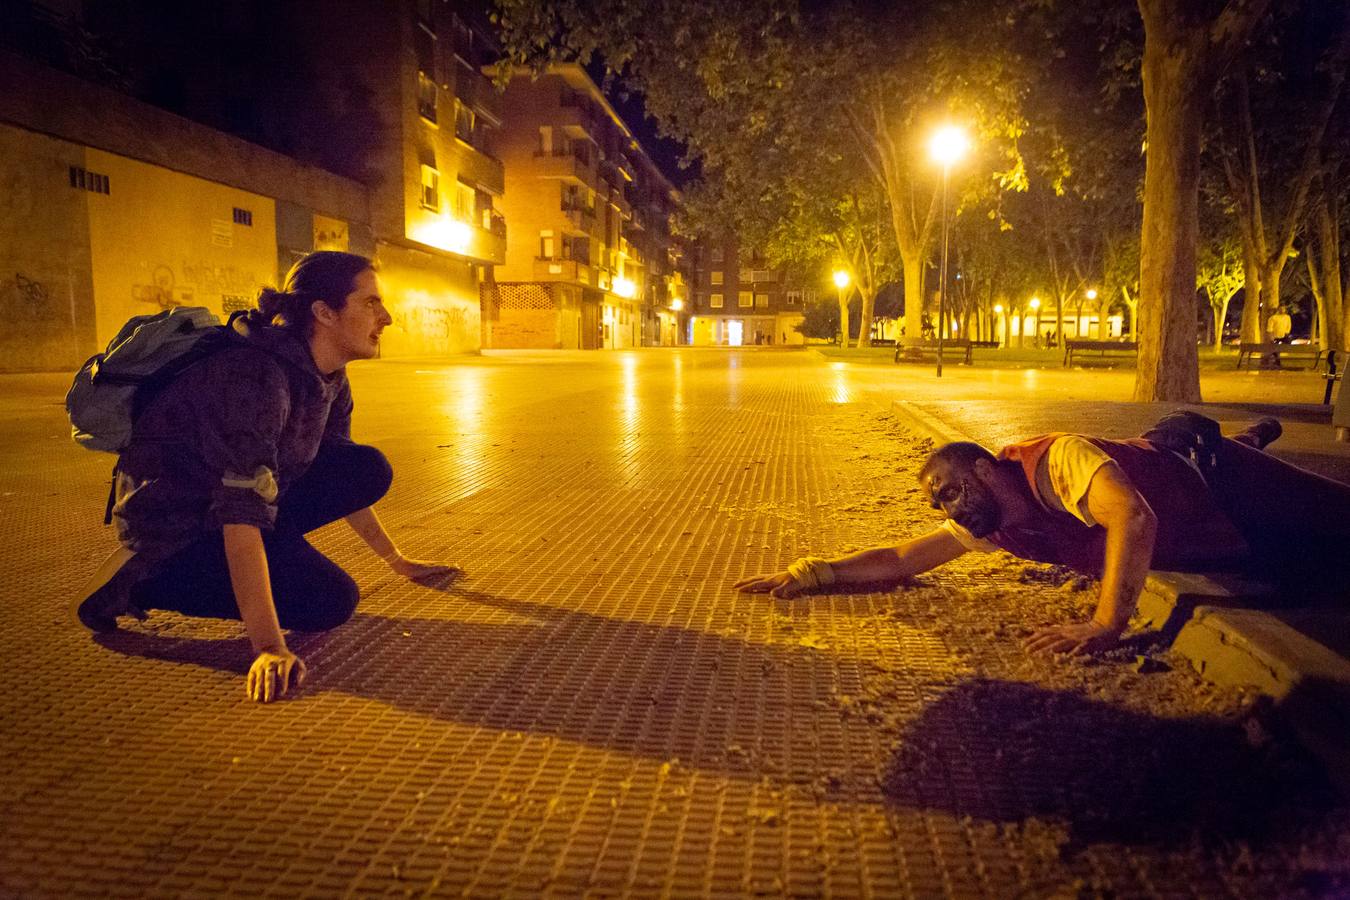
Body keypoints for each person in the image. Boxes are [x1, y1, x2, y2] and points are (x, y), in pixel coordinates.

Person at [73, 251, 456, 702]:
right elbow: (239, 511)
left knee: (365, 467)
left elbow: (332, 469)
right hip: (179, 524)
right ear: (324, 313)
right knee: (329, 602)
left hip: (240, 506)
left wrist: (398, 562)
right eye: (370, 303)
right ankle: (141, 579)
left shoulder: (328, 375)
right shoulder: (254, 379)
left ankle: (271, 556)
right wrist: (270, 647)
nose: (386, 317)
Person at [735, 411, 1350, 656]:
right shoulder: (994, 521)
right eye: (935, 501)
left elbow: (1134, 517)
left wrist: (1105, 624)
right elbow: (901, 558)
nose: (946, 508)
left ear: (983, 468)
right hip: (1214, 528)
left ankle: (1246, 443)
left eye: (948, 490)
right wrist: (814, 572)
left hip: (1209, 472)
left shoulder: (1054, 462)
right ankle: (1254, 435)